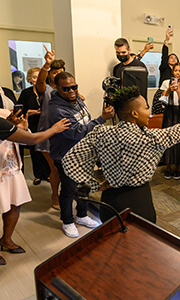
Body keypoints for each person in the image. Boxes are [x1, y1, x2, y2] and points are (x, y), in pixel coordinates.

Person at [63, 86, 180, 223]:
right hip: (138, 203)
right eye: (146, 108)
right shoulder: (150, 139)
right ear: (135, 114)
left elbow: (70, 161)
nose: (148, 111)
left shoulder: (101, 132)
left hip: (109, 201)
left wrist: (94, 186)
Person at [0, 107, 69, 266]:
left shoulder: (0, 114)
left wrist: (23, 127)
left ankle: (6, 239)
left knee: (15, 205)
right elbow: (32, 139)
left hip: (12, 166)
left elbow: (16, 135)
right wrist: (54, 129)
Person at [49, 72, 115, 238]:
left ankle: (82, 215)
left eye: (74, 87)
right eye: (66, 89)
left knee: (84, 186)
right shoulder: (57, 109)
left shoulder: (75, 99)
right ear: (57, 88)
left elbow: (85, 120)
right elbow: (76, 133)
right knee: (69, 189)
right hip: (66, 156)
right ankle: (67, 221)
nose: (72, 91)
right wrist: (102, 119)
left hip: (83, 154)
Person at [36, 46, 66, 210]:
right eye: (54, 72)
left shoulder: (65, 90)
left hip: (64, 134)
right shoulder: (46, 89)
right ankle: (55, 195)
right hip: (48, 134)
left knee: (63, 168)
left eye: (60, 71)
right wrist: (46, 65)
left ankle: (65, 193)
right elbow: (40, 82)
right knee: (54, 168)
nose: (57, 75)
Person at [17, 67, 51, 185]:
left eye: (39, 76)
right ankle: (38, 175)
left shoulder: (48, 92)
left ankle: (47, 174)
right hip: (32, 124)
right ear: (30, 79)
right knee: (35, 151)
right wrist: (30, 112)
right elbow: (19, 109)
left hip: (45, 125)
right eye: (34, 77)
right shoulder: (26, 93)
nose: (37, 79)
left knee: (46, 150)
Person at [157, 63, 180, 180]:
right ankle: (168, 167)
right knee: (168, 140)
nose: (178, 73)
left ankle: (177, 168)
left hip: (179, 115)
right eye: (176, 70)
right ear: (173, 72)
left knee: (179, 141)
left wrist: (179, 91)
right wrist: (169, 89)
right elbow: (162, 100)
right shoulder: (166, 83)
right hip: (168, 113)